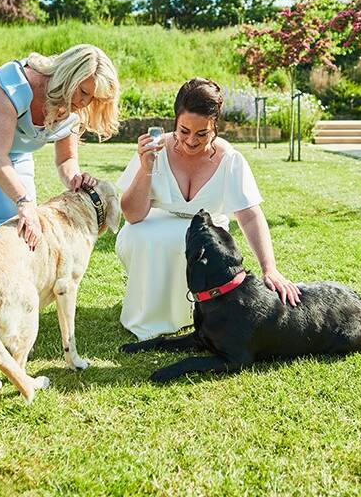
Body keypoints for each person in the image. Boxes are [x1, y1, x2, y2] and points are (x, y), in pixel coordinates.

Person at [115, 77, 301, 340]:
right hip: (149, 225)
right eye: (183, 131)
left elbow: (249, 216)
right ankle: (148, 308)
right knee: (145, 237)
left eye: (202, 133)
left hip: (206, 230)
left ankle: (189, 311)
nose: (191, 141)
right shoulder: (155, 150)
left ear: (216, 126)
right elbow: (132, 215)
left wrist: (269, 268)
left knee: (193, 243)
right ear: (174, 121)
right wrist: (146, 169)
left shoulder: (230, 159)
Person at [0, 44, 120, 270]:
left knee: (29, 225)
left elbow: (66, 160)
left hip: (14, 152)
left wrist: (75, 178)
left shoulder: (75, 111)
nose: (84, 103)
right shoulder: (14, 83)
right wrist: (23, 202)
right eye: (83, 91)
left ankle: (4, 286)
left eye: (92, 98)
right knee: (5, 214)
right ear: (68, 76)